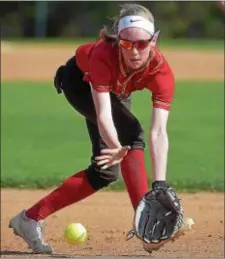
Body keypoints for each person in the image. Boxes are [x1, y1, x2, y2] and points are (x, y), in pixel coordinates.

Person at [9, 3, 180, 254]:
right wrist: (116, 145)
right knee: (132, 133)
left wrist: (161, 184)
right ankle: (146, 226)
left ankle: (29, 219)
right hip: (78, 81)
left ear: (154, 41)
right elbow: (103, 113)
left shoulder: (162, 73)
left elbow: (160, 132)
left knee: (105, 173)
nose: (134, 51)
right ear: (118, 40)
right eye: (126, 44)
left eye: (142, 44)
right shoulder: (103, 55)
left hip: (115, 90)